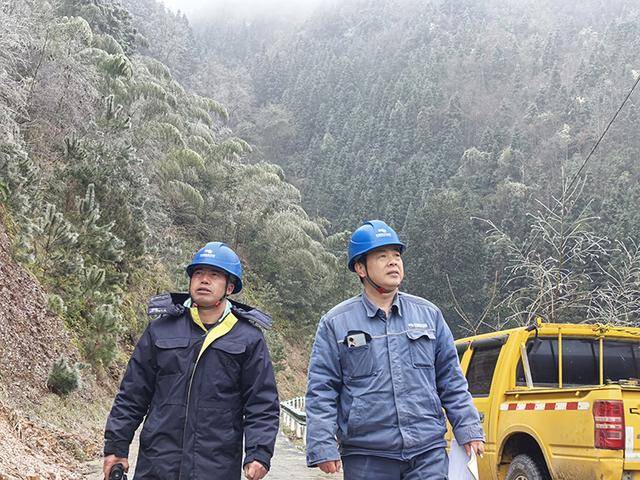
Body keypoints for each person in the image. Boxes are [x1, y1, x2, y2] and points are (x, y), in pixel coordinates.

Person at [305, 220, 485, 479]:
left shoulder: (428, 315)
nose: (393, 262)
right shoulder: (336, 323)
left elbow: (451, 379)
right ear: (360, 268)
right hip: (367, 456)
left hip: (427, 453)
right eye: (382, 256)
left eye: (396, 255)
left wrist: (468, 427)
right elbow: (322, 388)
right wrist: (322, 443)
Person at [103, 242, 279, 480]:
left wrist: (259, 453)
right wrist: (116, 448)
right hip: (158, 463)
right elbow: (133, 394)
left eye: (214, 275)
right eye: (198, 273)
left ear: (229, 287)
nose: (204, 280)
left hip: (215, 466)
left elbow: (261, 402)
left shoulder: (248, 337)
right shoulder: (161, 330)